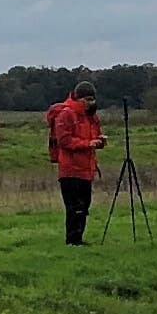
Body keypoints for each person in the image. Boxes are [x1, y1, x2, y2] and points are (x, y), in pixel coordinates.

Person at [47, 83, 103, 241]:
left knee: (85, 206)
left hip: (86, 168)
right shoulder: (66, 114)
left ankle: (78, 238)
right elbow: (64, 141)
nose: (91, 103)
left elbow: (94, 135)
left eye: (93, 99)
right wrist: (88, 144)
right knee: (74, 207)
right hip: (70, 169)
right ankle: (72, 240)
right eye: (88, 99)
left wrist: (99, 141)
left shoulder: (91, 117)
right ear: (79, 98)